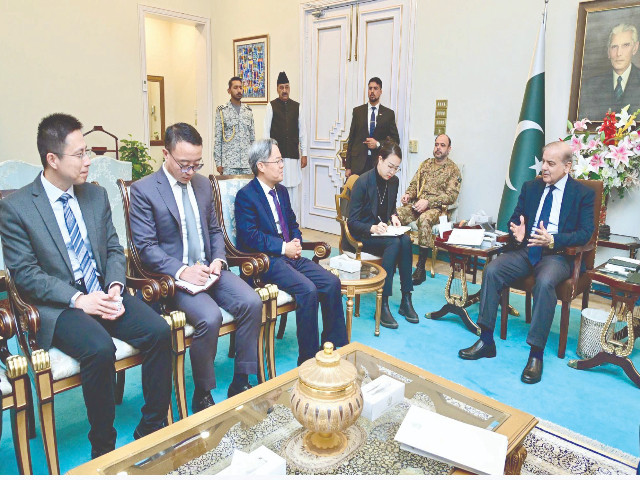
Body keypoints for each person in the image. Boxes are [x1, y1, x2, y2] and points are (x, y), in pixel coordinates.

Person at [0, 113, 172, 458]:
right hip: (59, 306)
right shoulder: (16, 208)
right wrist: (79, 299)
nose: (88, 161)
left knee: (158, 331)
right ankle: (103, 448)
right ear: (52, 159)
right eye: (79, 154)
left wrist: (114, 287)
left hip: (103, 292)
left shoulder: (93, 196)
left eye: (87, 152)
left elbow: (112, 248)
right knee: (99, 348)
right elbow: (26, 274)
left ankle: (152, 427)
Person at [128, 123, 262, 412]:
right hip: (175, 278)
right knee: (209, 317)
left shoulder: (202, 184)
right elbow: (146, 248)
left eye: (196, 164)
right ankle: (203, 391)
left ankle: (242, 379)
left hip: (209, 268)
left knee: (251, 301)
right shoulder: (144, 190)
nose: (190, 171)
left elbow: (215, 230)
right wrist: (181, 271)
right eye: (184, 165)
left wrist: (219, 259)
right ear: (166, 154)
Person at [458, 141, 595, 384]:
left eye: (551, 164)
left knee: (544, 283)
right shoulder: (531, 187)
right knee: (492, 270)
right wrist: (517, 233)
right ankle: (486, 340)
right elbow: (515, 218)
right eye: (543, 161)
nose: (544, 168)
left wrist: (553, 240)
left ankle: (535, 354)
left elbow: (585, 233)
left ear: (567, 166)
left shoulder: (582, 193)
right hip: (527, 250)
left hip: (558, 255)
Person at [234, 139, 348, 365]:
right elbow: (249, 236)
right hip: (266, 262)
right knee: (308, 290)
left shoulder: (282, 192)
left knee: (331, 282)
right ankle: (308, 359)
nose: (282, 165)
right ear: (261, 166)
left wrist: (296, 241)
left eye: (281, 160)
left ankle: (334, 347)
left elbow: (293, 223)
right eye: (277, 161)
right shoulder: (246, 196)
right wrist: (282, 247)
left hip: (290, 255)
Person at [347, 139, 418, 329]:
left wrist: (394, 216)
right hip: (363, 234)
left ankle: (406, 298)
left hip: (382, 233)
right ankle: (383, 302)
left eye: (396, 168)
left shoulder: (392, 182)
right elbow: (352, 222)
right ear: (380, 159)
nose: (392, 172)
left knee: (405, 239)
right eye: (390, 166)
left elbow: (388, 208)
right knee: (395, 243)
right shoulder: (362, 182)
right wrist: (371, 228)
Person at [396, 134, 461, 285]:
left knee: (424, 220)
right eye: (436, 144)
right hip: (418, 205)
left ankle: (420, 268)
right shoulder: (425, 164)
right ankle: (396, 257)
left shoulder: (453, 170)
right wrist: (408, 195)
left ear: (449, 149)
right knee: (396, 214)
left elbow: (451, 197)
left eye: (442, 145)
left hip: (437, 210)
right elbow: (414, 185)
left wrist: (429, 202)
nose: (438, 148)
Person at [263, 71, 308, 220]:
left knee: (294, 189)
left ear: (289, 88)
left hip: (293, 157)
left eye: (287, 87)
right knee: (279, 188)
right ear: (277, 89)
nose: (284, 90)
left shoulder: (297, 107)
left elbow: (303, 132)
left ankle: (292, 222)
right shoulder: (271, 106)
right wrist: (266, 156)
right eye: (281, 87)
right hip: (277, 158)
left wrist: (304, 153)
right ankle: (279, 223)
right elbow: (266, 133)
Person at [579, 23, 640, 120]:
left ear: (635, 48)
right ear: (608, 52)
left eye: (625, 45)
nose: (619, 53)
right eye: (614, 47)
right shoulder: (590, 86)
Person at [345, 77, 400, 176]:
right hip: (358, 164)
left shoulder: (388, 114)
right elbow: (351, 140)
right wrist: (348, 166)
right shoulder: (358, 112)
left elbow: (395, 140)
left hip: (378, 163)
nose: (372, 91)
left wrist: (378, 144)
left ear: (380, 91)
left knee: (375, 191)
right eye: (370, 88)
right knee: (358, 191)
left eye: (375, 88)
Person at [214, 76, 255, 175]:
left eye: (241, 88)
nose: (239, 90)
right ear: (229, 90)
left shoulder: (248, 111)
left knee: (247, 190)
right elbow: (218, 138)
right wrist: (218, 163)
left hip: (247, 164)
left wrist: (254, 161)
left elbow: (252, 139)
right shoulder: (222, 110)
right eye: (235, 88)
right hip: (229, 164)